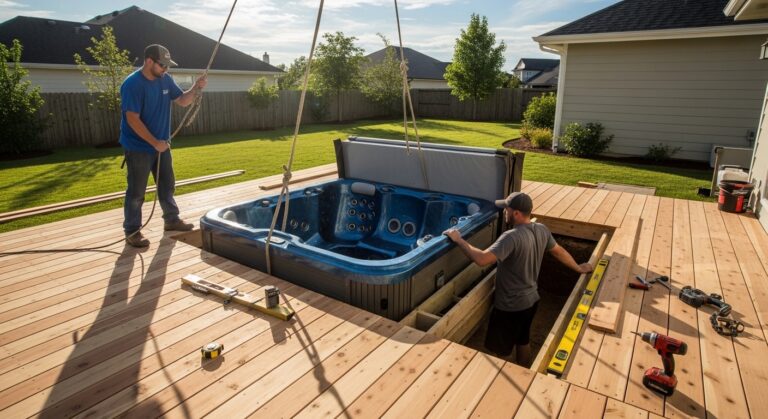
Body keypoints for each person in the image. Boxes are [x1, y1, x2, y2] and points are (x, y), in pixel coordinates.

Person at [443, 192, 592, 366]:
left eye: (506, 209)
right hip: (532, 301)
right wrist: (578, 268)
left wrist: (459, 239)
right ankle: (525, 370)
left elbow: (482, 259)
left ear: (516, 213)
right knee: (522, 341)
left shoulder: (511, 237)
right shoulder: (541, 229)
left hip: (510, 306)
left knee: (498, 353)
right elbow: (559, 252)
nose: (504, 212)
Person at [120, 44, 207, 247]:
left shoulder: (165, 79)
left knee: (167, 185)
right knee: (136, 192)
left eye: (168, 66)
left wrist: (196, 87)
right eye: (162, 65)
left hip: (162, 146)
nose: (166, 69)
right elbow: (132, 119)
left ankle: (171, 220)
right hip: (138, 147)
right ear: (149, 61)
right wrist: (154, 142)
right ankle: (132, 231)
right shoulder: (132, 84)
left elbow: (183, 100)